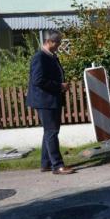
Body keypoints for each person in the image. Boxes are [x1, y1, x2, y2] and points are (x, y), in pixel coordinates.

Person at [26, 30, 76, 174]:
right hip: (44, 100)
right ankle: (57, 165)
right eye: (58, 43)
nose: (59, 46)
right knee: (52, 132)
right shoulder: (40, 57)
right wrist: (59, 86)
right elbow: (38, 80)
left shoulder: (51, 56)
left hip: (50, 99)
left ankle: (46, 163)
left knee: (49, 132)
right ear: (49, 42)